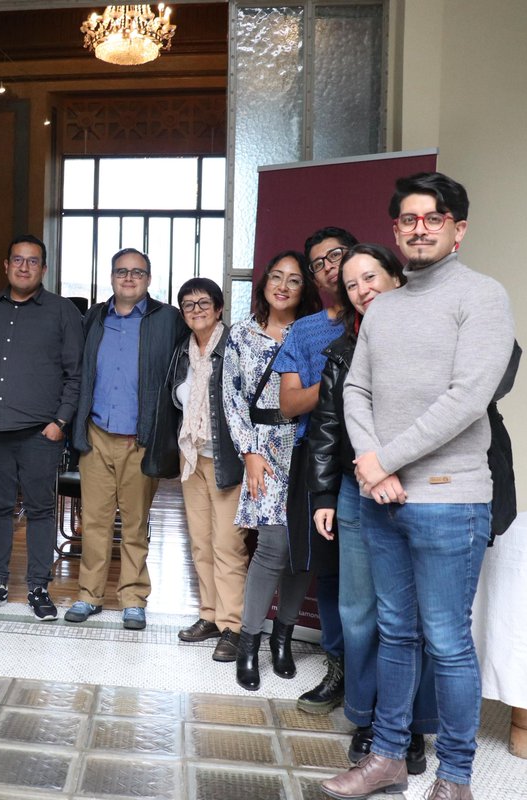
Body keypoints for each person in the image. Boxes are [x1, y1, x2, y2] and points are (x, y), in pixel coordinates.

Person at [321, 173, 514, 800]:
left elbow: (468, 398)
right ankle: (388, 758)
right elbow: (356, 389)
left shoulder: (483, 297)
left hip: (448, 499)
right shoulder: (386, 305)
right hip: (384, 499)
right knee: (394, 632)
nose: (420, 227)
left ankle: (455, 779)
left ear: (459, 228)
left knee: (448, 642)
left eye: (434, 217)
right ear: (396, 229)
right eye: (409, 218)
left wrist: (383, 462)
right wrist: (374, 463)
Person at [308, 243, 434, 777]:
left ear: (396, 277)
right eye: (352, 284)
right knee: (358, 613)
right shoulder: (342, 349)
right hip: (354, 491)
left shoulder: (434, 328)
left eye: (370, 277)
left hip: (423, 489)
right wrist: (322, 496)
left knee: (411, 617)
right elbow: (328, 428)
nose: (362, 290)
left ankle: (406, 726)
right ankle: (366, 718)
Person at [64, 248, 187, 630]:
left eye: (137, 272)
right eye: (122, 272)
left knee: (134, 525)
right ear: (111, 277)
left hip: (141, 439)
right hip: (97, 434)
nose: (129, 278)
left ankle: (134, 599)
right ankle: (89, 596)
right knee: (95, 522)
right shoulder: (94, 318)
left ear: (149, 279)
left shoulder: (167, 319)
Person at [223, 251, 321, 691]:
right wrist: (249, 452)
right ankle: (249, 643)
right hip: (262, 447)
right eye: (276, 277)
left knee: (301, 547)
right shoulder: (242, 334)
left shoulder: (314, 333)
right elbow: (231, 397)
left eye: (294, 280)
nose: (283, 286)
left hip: (305, 445)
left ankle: (282, 639)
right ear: (263, 283)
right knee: (271, 547)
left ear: (306, 290)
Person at [0, 235, 83, 620]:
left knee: (40, 510)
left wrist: (60, 422)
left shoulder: (63, 311)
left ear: (44, 269)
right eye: (17, 260)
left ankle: (38, 586)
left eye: (32, 262)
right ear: (5, 266)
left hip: (41, 432)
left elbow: (76, 374)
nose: (24, 267)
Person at [274, 226, 358, 713]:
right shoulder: (305, 332)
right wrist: (337, 384)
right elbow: (288, 404)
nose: (328, 267)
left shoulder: (380, 311)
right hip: (319, 460)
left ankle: (376, 683)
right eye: (318, 263)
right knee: (328, 573)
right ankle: (338, 668)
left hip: (377, 459)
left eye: (336, 257)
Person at [168, 278, 246, 661]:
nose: (196, 310)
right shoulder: (183, 351)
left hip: (227, 458)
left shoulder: (234, 348)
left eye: (203, 304)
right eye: (188, 305)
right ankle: (210, 616)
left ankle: (234, 626)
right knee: (200, 542)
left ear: (218, 309)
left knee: (227, 544)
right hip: (192, 457)